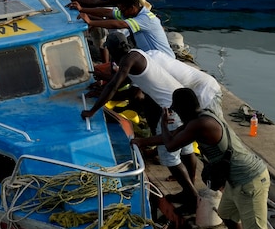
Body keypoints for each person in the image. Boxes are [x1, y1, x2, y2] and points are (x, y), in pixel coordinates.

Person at [156, 88, 275, 229]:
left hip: (249, 180)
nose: (176, 114)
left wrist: (163, 125)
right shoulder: (201, 117)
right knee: (227, 215)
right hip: (235, 179)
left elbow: (171, 144)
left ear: (183, 108)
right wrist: (139, 141)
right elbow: (172, 137)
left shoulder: (201, 124)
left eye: (177, 110)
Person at [82, 42, 199, 208]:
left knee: (169, 156)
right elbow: (124, 85)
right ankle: (191, 187)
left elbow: (114, 85)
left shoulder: (127, 60)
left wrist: (92, 110)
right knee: (186, 150)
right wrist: (100, 91)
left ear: (114, 51)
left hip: (171, 109)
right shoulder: (138, 54)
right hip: (182, 104)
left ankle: (192, 196)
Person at [77, 0, 174, 59]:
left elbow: (119, 24)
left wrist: (91, 22)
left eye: (122, 10)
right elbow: (107, 12)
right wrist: (81, 9)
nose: (121, 13)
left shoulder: (146, 18)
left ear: (132, 8)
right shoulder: (130, 13)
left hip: (164, 59)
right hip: (150, 57)